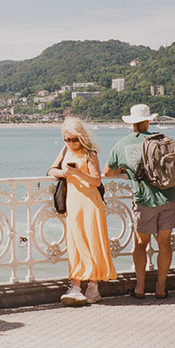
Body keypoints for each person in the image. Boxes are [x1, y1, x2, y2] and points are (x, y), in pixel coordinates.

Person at [104, 104, 175, 298]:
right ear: (148, 121)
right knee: (164, 243)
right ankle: (161, 288)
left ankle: (139, 287)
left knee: (141, 244)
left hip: (144, 200)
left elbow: (107, 171)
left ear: (131, 122)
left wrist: (123, 170)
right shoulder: (164, 140)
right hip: (169, 197)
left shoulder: (122, 144)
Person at [49, 116, 118, 305]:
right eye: (67, 139)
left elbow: (97, 180)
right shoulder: (65, 150)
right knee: (75, 243)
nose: (70, 143)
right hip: (73, 203)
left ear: (81, 137)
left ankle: (93, 287)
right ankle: (75, 286)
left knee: (92, 240)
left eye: (73, 139)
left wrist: (78, 173)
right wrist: (64, 173)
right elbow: (51, 170)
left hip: (91, 203)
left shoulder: (90, 154)